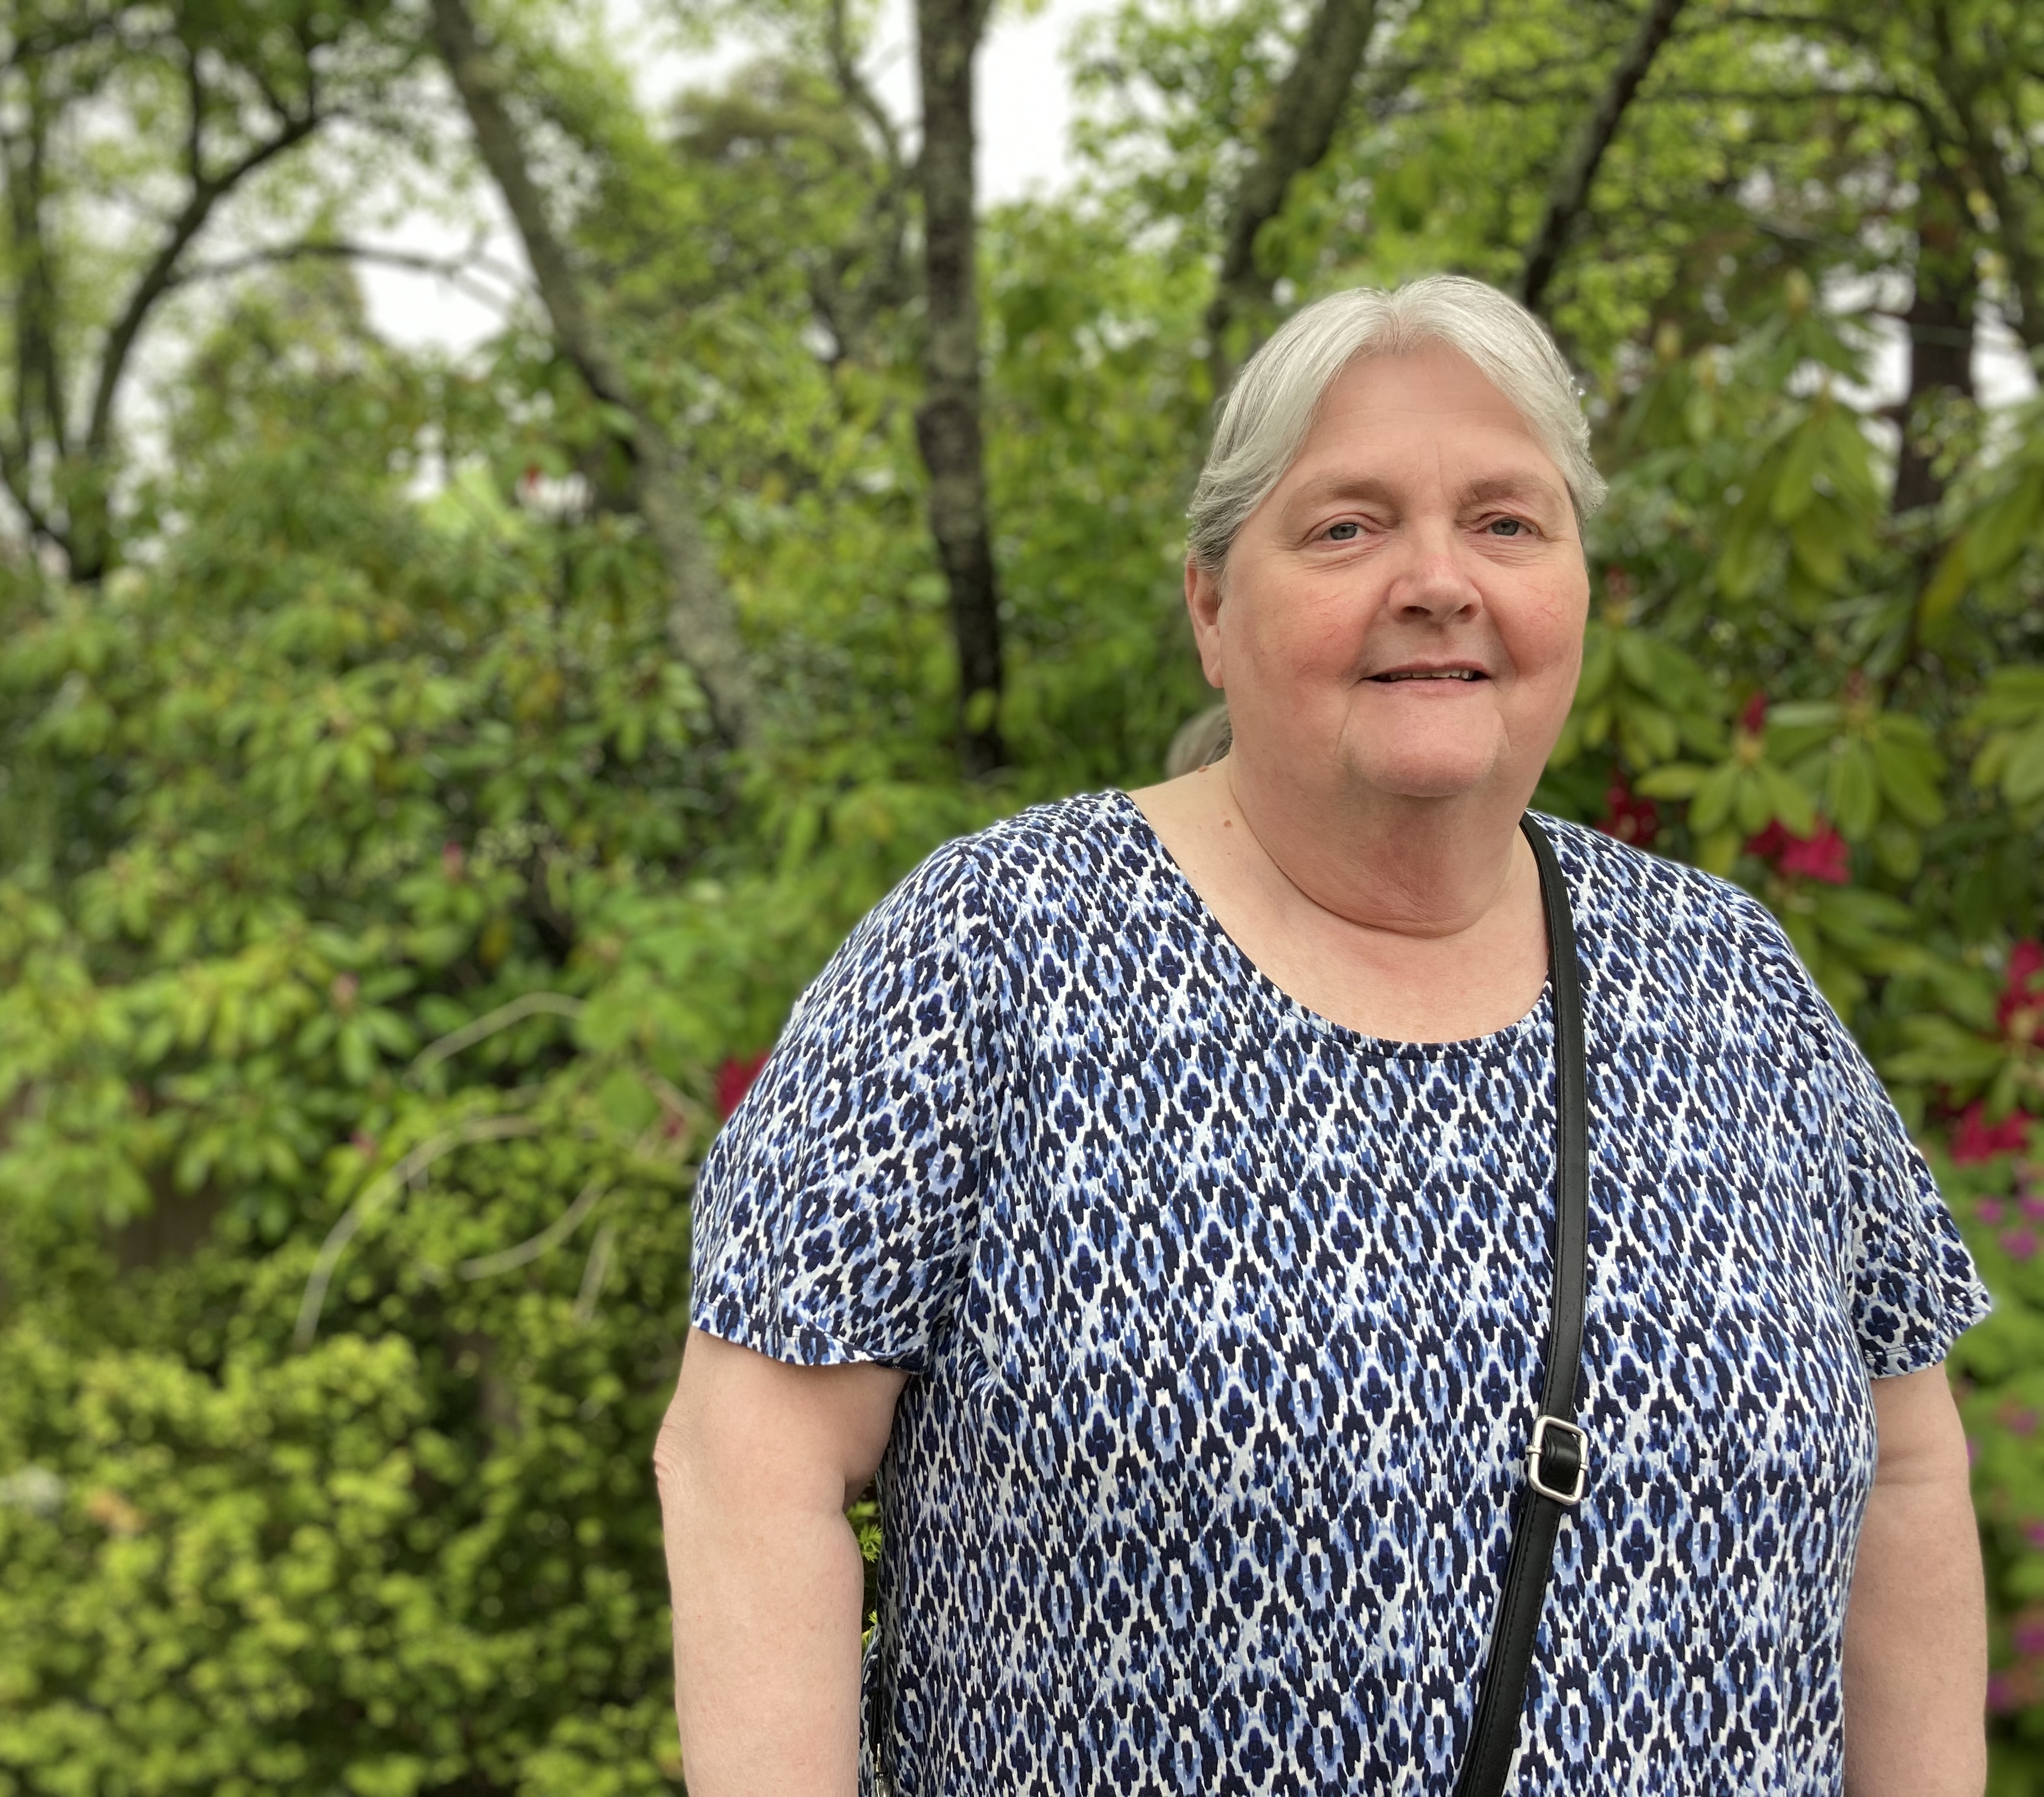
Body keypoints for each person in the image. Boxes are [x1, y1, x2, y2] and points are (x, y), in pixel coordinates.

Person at [654, 275, 1991, 1795]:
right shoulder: (997, 946)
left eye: (1506, 523)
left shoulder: (1730, 977)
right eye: (1348, 527)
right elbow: (748, 1462)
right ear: (1213, 608)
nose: (1440, 581)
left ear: (1578, 592)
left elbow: (1910, 1463)